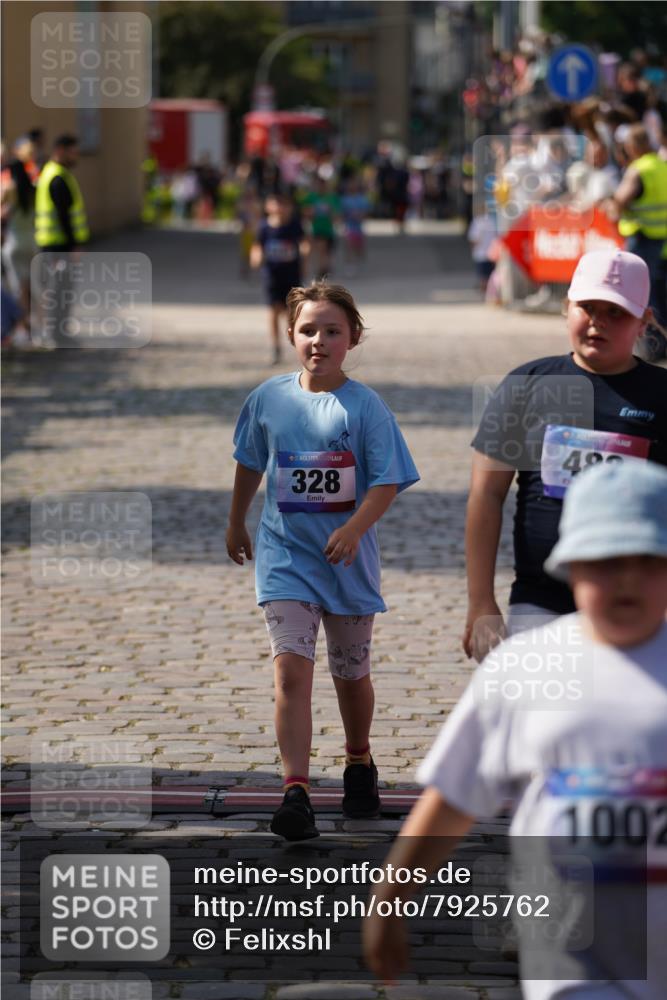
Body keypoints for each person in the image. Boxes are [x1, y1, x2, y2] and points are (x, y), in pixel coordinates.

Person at [364, 458, 667, 996]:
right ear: (570, 568)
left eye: (647, 561)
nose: (626, 579)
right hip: (573, 965)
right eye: (605, 560)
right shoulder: (526, 667)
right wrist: (391, 897)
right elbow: (455, 796)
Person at [226, 281, 419, 840]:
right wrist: (236, 518)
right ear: (291, 335)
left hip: (348, 564)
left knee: (351, 674)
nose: (319, 340)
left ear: (352, 338)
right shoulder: (269, 399)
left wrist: (355, 529)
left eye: (332, 330)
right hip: (286, 559)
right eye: (308, 329)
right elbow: (248, 462)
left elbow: (388, 480)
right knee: (291, 672)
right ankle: (296, 791)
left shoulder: (366, 407)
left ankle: (359, 762)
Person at [463, 249, 667, 663]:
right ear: (566, 307)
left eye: (616, 312)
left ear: (644, 319)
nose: (598, 321)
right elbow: (486, 496)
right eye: (588, 307)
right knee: (542, 719)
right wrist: (481, 601)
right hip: (540, 601)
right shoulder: (525, 384)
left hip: (642, 606)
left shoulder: (661, 395)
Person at [607, 124, 667, 325]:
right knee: (659, 290)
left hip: (642, 237)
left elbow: (620, 200)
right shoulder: (662, 165)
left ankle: (650, 343)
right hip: (662, 238)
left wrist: (611, 206)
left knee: (641, 292)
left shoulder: (639, 169)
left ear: (633, 145)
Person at [34, 134, 89, 346]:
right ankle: (57, 335)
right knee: (60, 291)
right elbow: (63, 216)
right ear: (60, 150)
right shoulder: (57, 177)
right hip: (58, 246)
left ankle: (57, 334)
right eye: (73, 151)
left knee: (57, 289)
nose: (76, 156)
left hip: (53, 244)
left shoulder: (53, 173)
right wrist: (74, 245)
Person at [250, 193, 309, 366]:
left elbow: (304, 242)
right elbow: (257, 245)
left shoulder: (295, 225)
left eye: (284, 204)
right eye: (275, 203)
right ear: (268, 207)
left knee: (292, 313)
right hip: (272, 275)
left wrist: (305, 254)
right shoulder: (264, 227)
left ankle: (299, 344)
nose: (280, 207)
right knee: (273, 311)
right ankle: (275, 347)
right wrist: (256, 258)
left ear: (290, 207)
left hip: (292, 274)